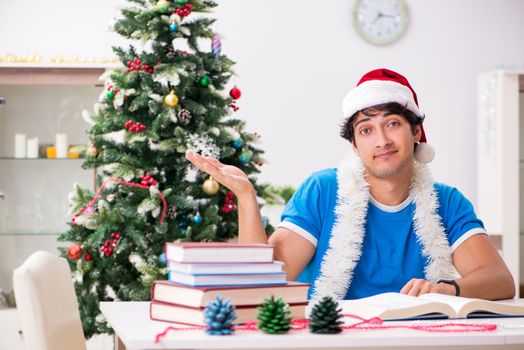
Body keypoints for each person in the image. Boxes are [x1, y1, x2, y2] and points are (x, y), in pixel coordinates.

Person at [186, 68, 515, 301]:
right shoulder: (323, 190)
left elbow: (501, 281)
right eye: (367, 130)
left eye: (393, 124)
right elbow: (267, 281)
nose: (382, 140)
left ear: (416, 133)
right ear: (355, 146)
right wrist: (246, 196)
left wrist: (449, 288)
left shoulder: (448, 202)